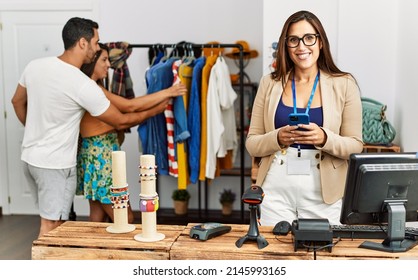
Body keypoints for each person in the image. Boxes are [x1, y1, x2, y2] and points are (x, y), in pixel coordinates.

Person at [10, 17, 184, 238]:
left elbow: (17, 101)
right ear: (83, 43)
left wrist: (35, 131)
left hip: (30, 158)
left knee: (58, 219)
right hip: (54, 164)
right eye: (95, 42)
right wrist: (162, 104)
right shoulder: (80, 83)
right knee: (52, 226)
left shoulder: (35, 66)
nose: (97, 48)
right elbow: (121, 119)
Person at [246, 10, 363, 226]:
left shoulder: (344, 84)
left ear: (320, 42)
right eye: (293, 40)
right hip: (275, 189)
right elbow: (252, 144)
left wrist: (324, 138)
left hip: (324, 195)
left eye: (309, 38)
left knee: (319, 256)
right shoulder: (269, 83)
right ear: (285, 45)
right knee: (274, 255)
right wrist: (278, 137)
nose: (301, 47)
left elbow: (355, 146)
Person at [77, 43, 186, 223]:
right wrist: (167, 95)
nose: (109, 65)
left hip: (95, 156)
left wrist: (161, 100)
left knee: (98, 216)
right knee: (125, 217)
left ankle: (94, 251)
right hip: (101, 157)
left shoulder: (94, 87)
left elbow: (129, 107)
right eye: (104, 60)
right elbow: (129, 108)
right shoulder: (92, 88)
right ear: (92, 62)